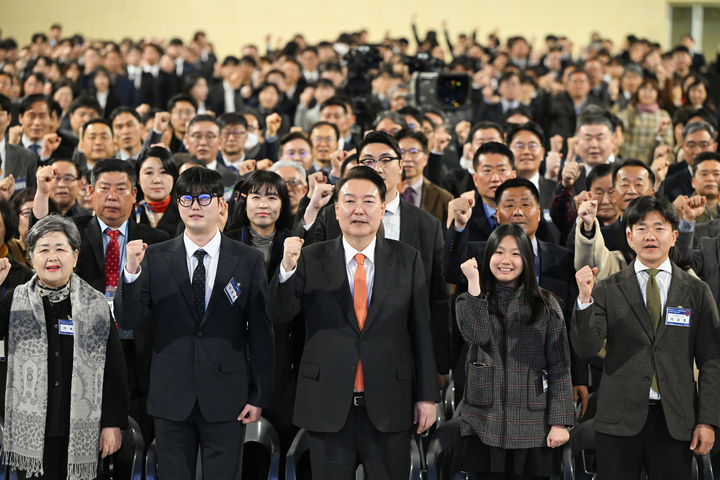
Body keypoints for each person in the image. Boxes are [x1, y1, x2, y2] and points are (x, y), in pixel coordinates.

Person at [267, 166, 439, 479]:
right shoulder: (310, 257)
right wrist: (286, 268)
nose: (358, 210)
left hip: (390, 403)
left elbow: (421, 332)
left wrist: (427, 396)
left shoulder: (407, 258)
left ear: (383, 207)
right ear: (336, 209)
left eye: (368, 201)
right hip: (328, 404)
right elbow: (279, 315)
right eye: (349, 201)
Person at [115, 167, 273, 480]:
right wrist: (130, 273)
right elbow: (128, 318)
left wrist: (259, 396)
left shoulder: (247, 259)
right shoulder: (154, 257)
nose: (195, 206)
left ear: (221, 204)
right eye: (186, 199)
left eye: (203, 198)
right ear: (178, 205)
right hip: (171, 394)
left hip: (228, 395)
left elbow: (261, 332)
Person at [573, 195, 720, 480]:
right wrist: (583, 301)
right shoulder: (607, 288)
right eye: (641, 228)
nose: (650, 235)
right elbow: (586, 346)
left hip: (676, 420)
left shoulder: (696, 290)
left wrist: (708, 420)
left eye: (659, 227)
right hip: (618, 420)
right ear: (629, 236)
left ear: (674, 235)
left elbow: (712, 359)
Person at [0, 215, 128, 480]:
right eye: (43, 250)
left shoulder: (96, 304)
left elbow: (115, 370)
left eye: (60, 249)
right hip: (33, 431)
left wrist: (112, 423)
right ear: (32, 257)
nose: (52, 257)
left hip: (83, 429)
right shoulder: (15, 299)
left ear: (75, 256)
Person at [454, 224, 573, 479]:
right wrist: (474, 284)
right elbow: (477, 335)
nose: (506, 260)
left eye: (516, 253)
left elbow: (559, 366)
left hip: (533, 422)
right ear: (488, 257)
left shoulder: (547, 305)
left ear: (527, 260)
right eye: (498, 252)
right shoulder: (468, 301)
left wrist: (560, 422)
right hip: (484, 421)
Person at [134, 146, 181, 237]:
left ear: (174, 176)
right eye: (149, 173)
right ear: (138, 179)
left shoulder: (185, 212)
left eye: (163, 172)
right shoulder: (128, 213)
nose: (157, 180)